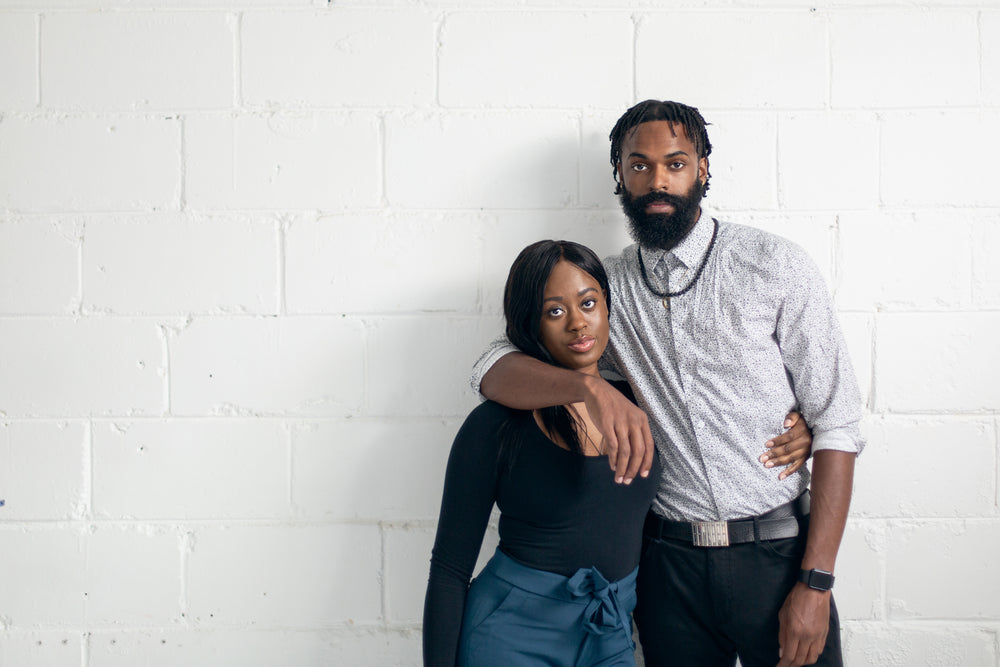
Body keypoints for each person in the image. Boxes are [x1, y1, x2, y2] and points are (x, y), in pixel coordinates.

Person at [471, 100, 864, 667]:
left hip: (778, 557)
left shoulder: (775, 266)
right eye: (639, 165)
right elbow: (489, 366)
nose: (658, 181)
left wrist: (817, 582)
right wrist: (590, 389)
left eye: (675, 163)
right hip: (667, 571)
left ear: (703, 169)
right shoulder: (606, 290)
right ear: (620, 176)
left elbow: (838, 423)